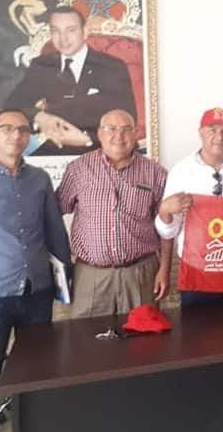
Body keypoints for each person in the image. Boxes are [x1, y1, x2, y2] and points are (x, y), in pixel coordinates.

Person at [0, 109, 71, 432]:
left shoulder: (39, 179)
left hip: (36, 294)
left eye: (22, 129)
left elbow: (55, 231)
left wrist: (64, 280)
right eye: (7, 129)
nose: (16, 135)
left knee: (36, 373)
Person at [56, 109, 171, 317]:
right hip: (91, 275)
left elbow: (167, 226)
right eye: (111, 129)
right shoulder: (78, 169)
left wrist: (165, 269)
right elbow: (54, 213)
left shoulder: (155, 173)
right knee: (86, 335)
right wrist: (60, 265)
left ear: (136, 133)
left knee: (143, 335)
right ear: (100, 133)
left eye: (126, 129)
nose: (119, 136)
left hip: (141, 274)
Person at [155, 108, 223, 306]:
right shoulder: (182, 170)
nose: (219, 137)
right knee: (196, 324)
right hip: (196, 268)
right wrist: (165, 210)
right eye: (212, 130)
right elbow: (168, 231)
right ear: (200, 133)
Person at [4, 6, 137, 156]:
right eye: (56, 31)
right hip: (54, 147)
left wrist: (87, 139)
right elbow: (11, 105)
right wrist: (38, 117)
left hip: (103, 148)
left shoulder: (111, 66)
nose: (63, 38)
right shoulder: (41, 65)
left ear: (85, 31)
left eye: (71, 30)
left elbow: (128, 117)